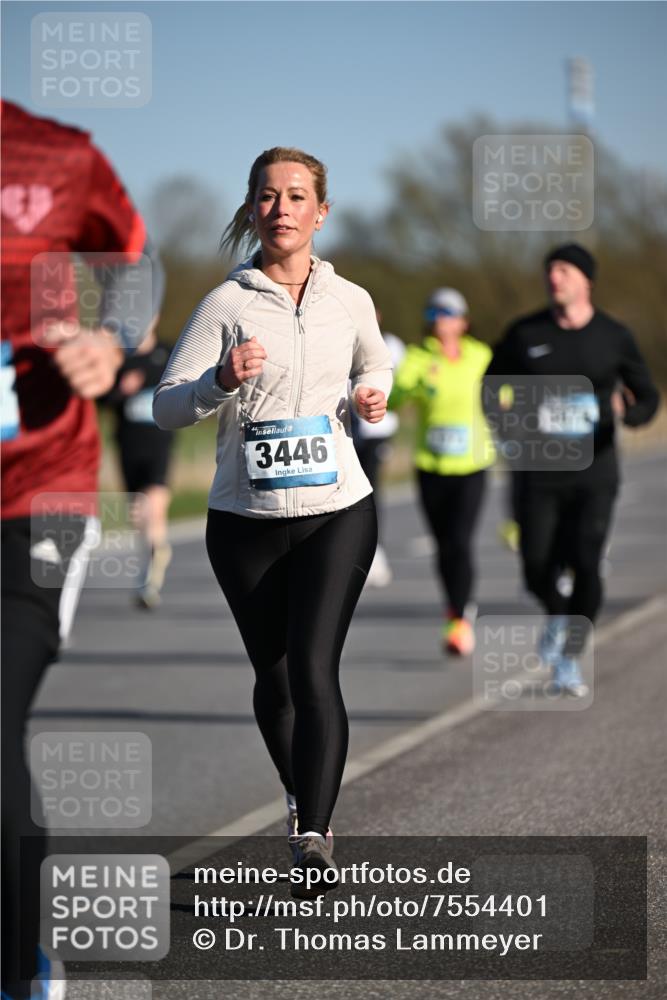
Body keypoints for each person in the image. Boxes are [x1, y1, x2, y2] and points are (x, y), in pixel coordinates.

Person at [153, 147, 392, 896]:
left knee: (315, 666)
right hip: (244, 519)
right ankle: (300, 794)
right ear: (252, 209)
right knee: (276, 677)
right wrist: (220, 380)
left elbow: (375, 362)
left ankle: (314, 836)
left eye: (296, 196)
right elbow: (164, 406)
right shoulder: (227, 304)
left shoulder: (349, 298)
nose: (281, 207)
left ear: (321, 212)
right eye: (268, 196)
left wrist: (370, 395)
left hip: (336, 509)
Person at [1, 98, 163, 1000]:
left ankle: (20, 968)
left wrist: (112, 337)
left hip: (38, 493)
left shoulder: (54, 153)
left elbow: (135, 255)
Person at [485, 242, 659, 695]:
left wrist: (629, 415)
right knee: (536, 568)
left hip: (595, 471)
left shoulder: (613, 336)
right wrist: (508, 426)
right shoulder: (525, 333)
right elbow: (491, 386)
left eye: (564, 269)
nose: (554, 277)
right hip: (537, 471)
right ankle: (558, 616)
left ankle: (569, 657)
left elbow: (647, 394)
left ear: (587, 280)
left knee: (586, 563)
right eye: (549, 270)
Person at [387, 288, 495, 656]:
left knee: (461, 541)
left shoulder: (481, 356)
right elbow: (394, 400)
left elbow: (504, 391)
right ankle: (456, 607)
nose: (441, 320)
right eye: (435, 313)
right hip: (431, 466)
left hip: (473, 465)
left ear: (463, 320)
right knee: (445, 546)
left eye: (449, 313)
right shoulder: (418, 358)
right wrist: (410, 385)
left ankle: (460, 620)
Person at [101, 324, 174, 609]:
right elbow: (100, 398)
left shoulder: (167, 353)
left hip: (159, 445)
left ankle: (151, 569)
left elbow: (188, 384)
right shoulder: (119, 356)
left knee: (153, 505)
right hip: (128, 447)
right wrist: (120, 390)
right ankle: (151, 561)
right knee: (139, 516)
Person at [352, 316, 405, 586]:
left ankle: (375, 552)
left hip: (377, 431)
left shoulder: (391, 344)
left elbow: (399, 386)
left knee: (371, 491)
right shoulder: (343, 337)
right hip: (347, 429)